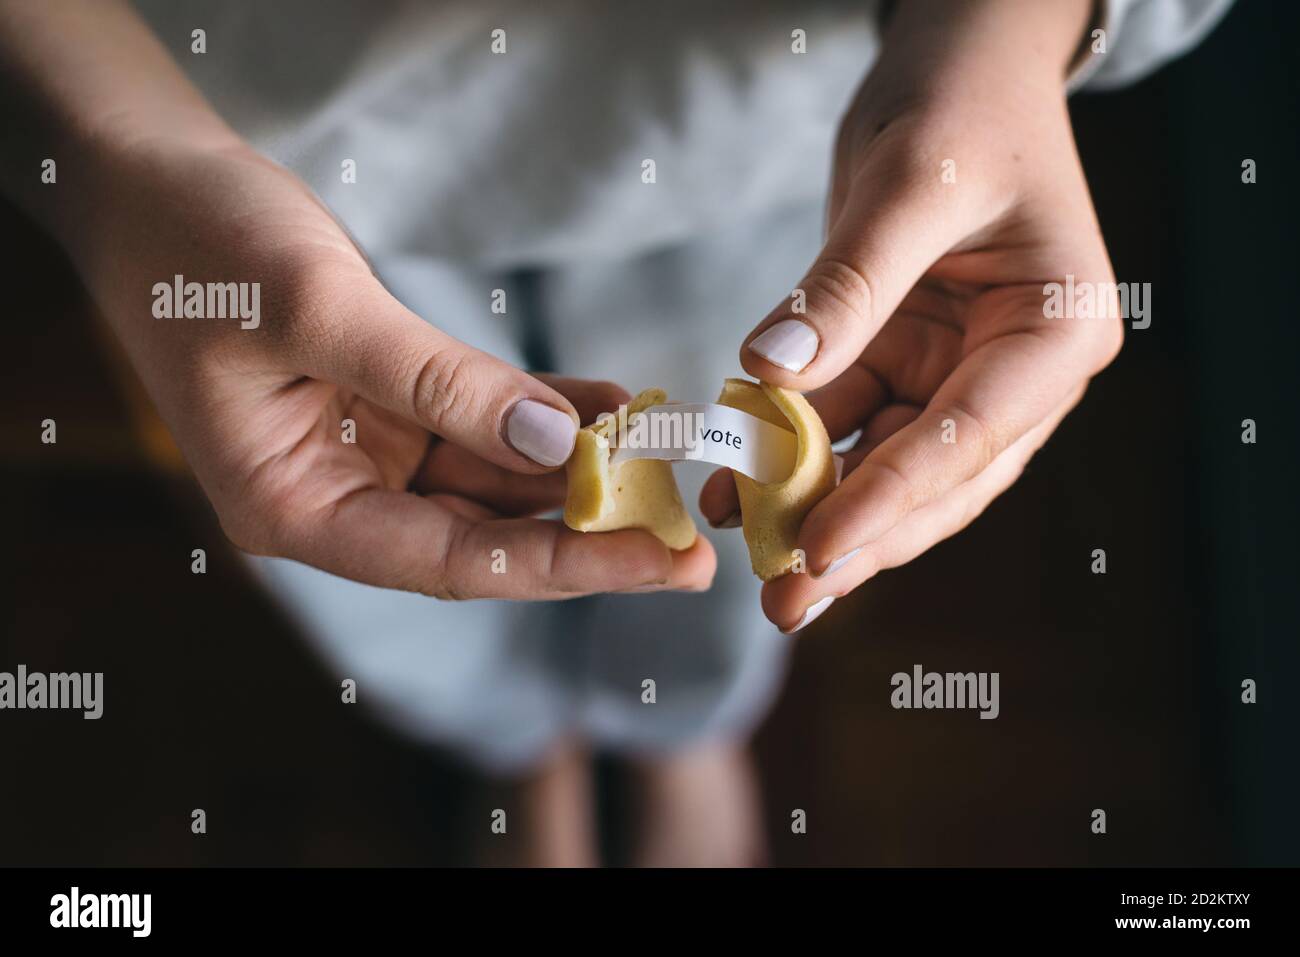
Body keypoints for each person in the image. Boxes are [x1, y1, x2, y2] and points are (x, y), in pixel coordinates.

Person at [0, 0, 1232, 865]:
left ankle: (674, 726)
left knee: (718, 555)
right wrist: (115, 155)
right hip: (253, 146)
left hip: (785, 141)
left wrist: (1003, 33)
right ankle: (513, 739)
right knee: (377, 527)